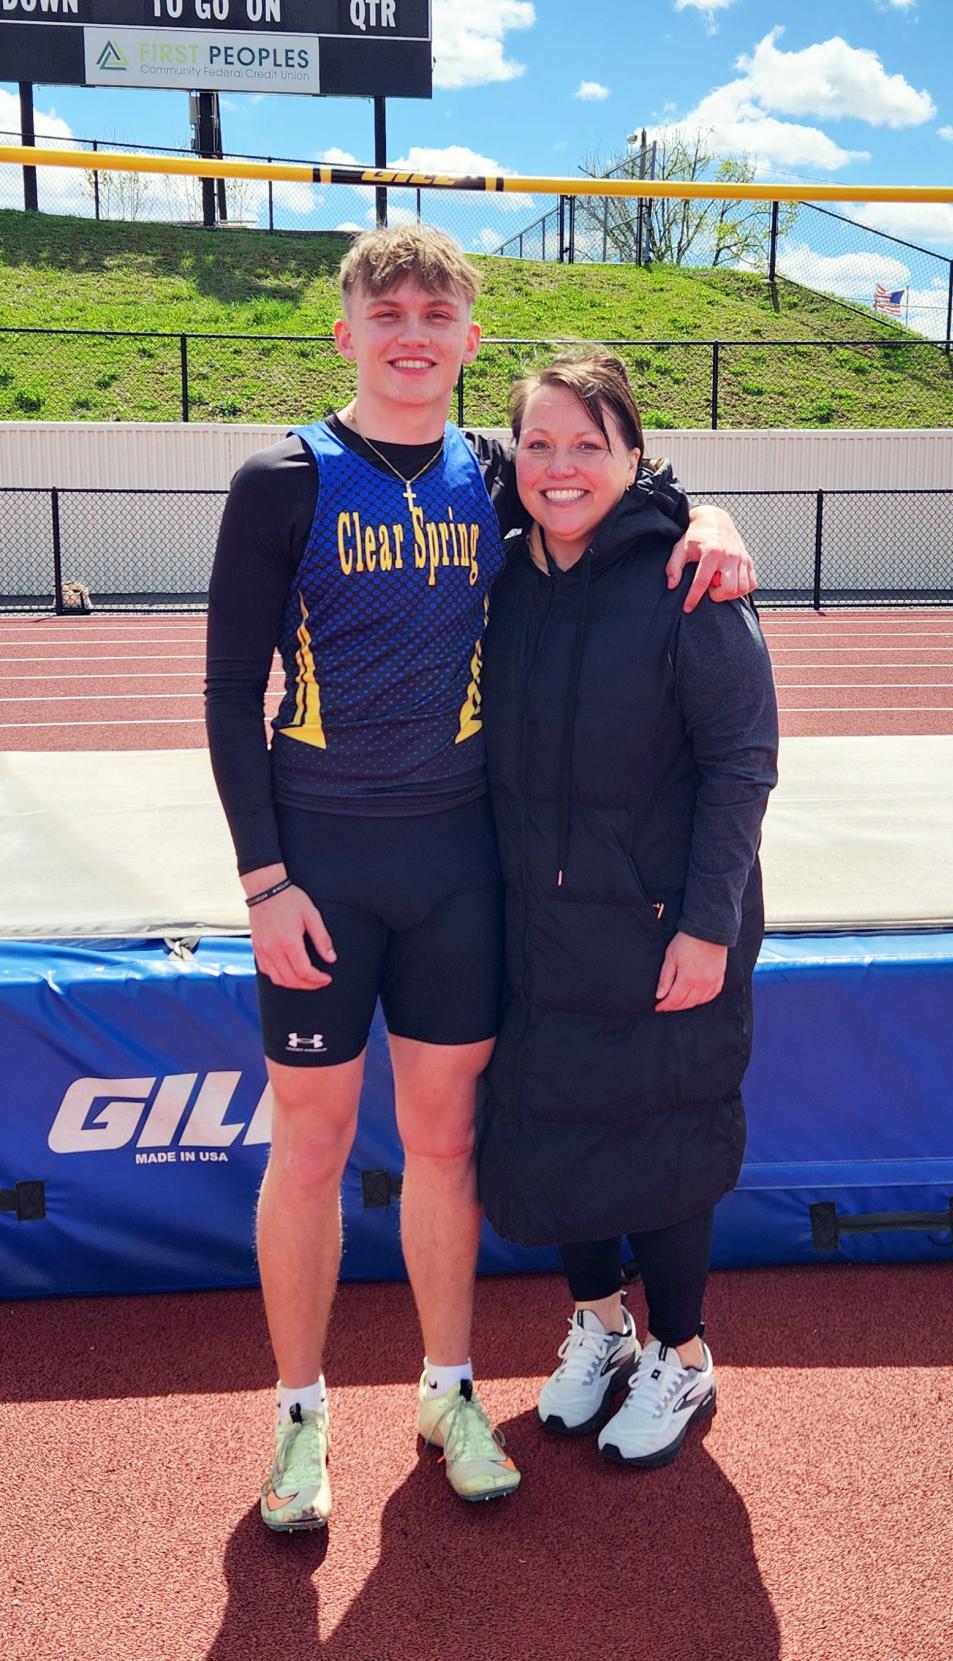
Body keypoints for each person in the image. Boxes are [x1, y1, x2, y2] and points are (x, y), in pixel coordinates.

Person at [204, 226, 759, 1532]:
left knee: (449, 1144)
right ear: (346, 331)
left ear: (468, 338)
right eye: (385, 308)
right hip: (322, 871)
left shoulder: (498, 472)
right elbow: (231, 694)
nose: (412, 329)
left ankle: (449, 1389)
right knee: (313, 1148)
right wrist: (264, 880)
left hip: (462, 872)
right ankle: (298, 1415)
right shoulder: (280, 479)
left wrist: (713, 510)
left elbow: (623, 475)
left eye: (438, 311)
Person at [476, 348, 778, 1470]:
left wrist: (706, 922)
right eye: (539, 443)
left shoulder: (690, 580)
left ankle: (683, 1351)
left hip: (665, 929)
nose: (562, 467)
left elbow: (743, 763)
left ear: (634, 454)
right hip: (540, 923)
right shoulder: (501, 572)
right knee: (560, 1129)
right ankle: (602, 1325)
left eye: (589, 444)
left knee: (666, 1137)